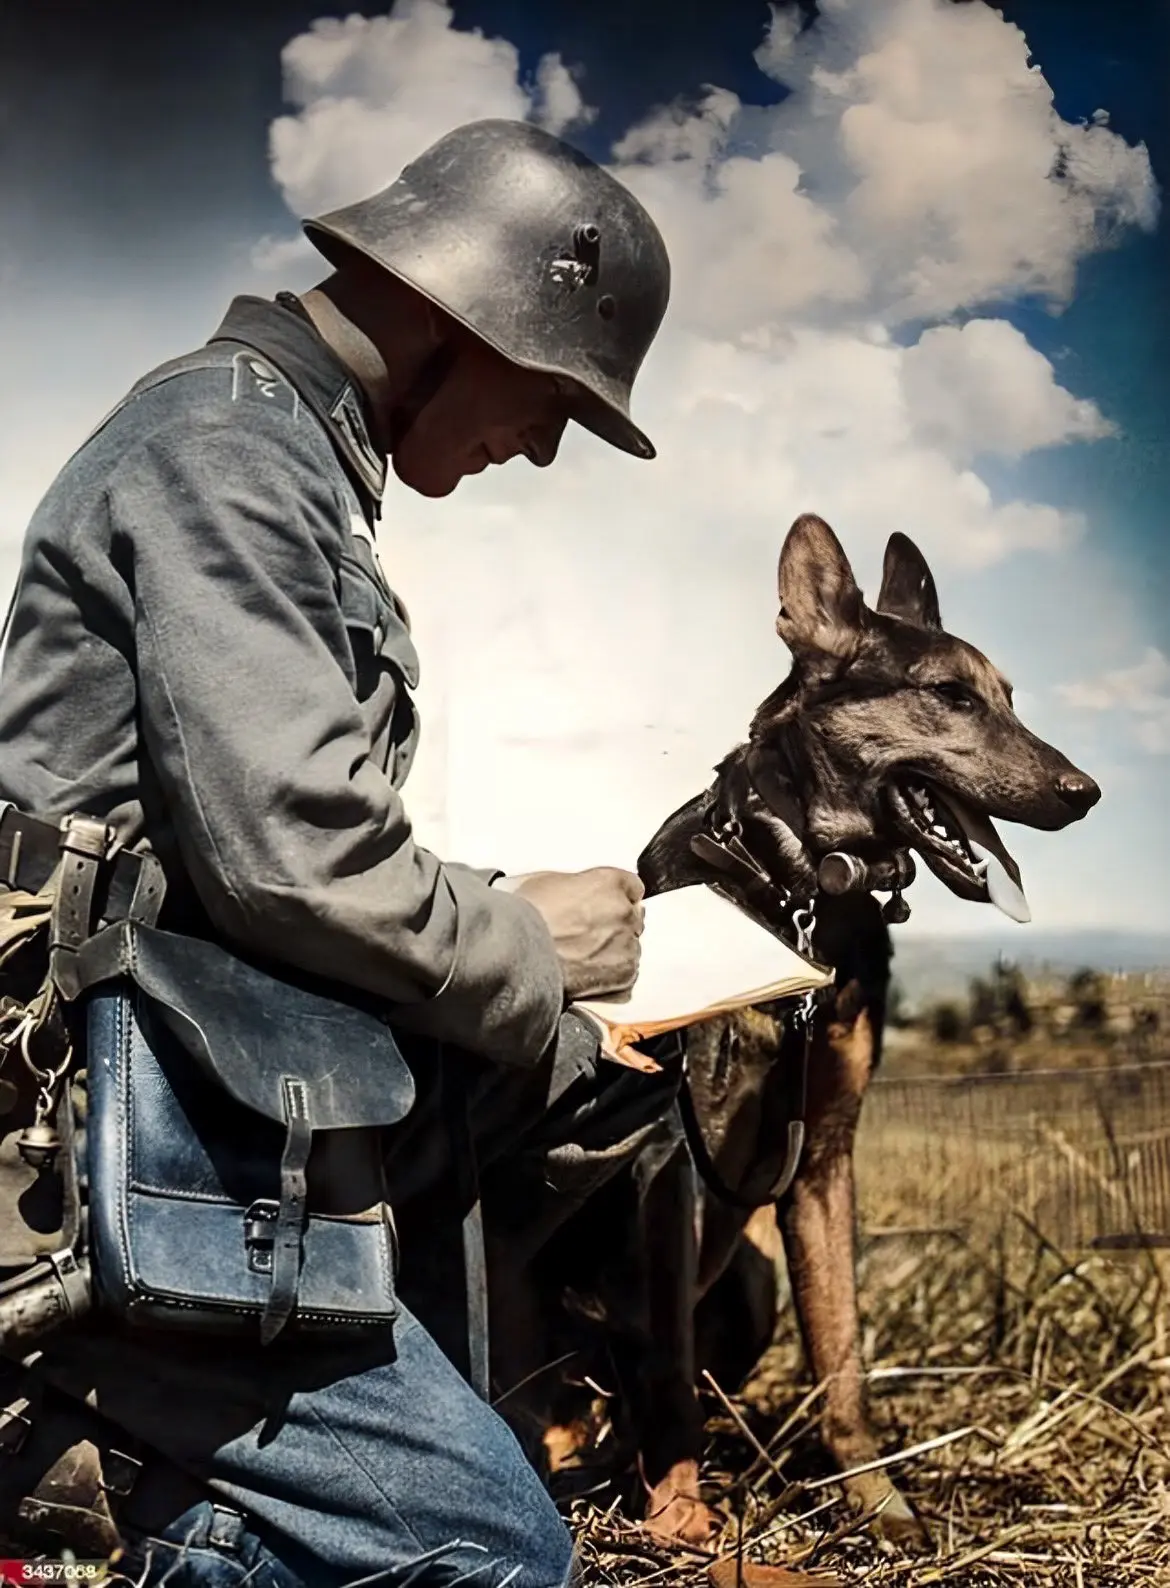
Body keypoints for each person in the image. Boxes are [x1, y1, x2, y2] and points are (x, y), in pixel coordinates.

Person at [0, 119, 674, 1586]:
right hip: (115, 1150)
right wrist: (530, 945)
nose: (548, 438)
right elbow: (295, 857)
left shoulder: (275, 452)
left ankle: (117, 1492)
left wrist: (538, 1005)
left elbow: (237, 849)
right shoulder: (222, 449)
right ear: (448, 311)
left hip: (185, 1112)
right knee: (491, 1559)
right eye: (548, 389)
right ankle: (90, 1494)